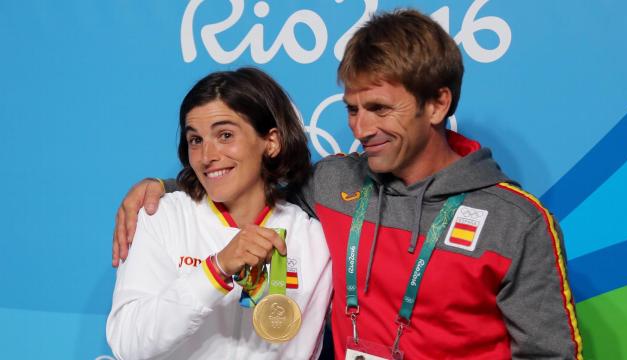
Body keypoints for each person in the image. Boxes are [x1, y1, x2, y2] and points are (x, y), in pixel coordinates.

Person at [112, 9, 583, 360]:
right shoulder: (335, 183)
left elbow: (551, 353)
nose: (361, 129)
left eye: (380, 109)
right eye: (352, 110)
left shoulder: (515, 222)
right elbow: (247, 181)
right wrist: (165, 185)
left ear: (437, 105)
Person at [106, 68, 332, 359]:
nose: (206, 156)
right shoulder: (160, 217)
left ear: (271, 142)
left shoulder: (314, 238)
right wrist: (216, 270)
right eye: (195, 140)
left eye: (225, 135)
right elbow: (128, 344)